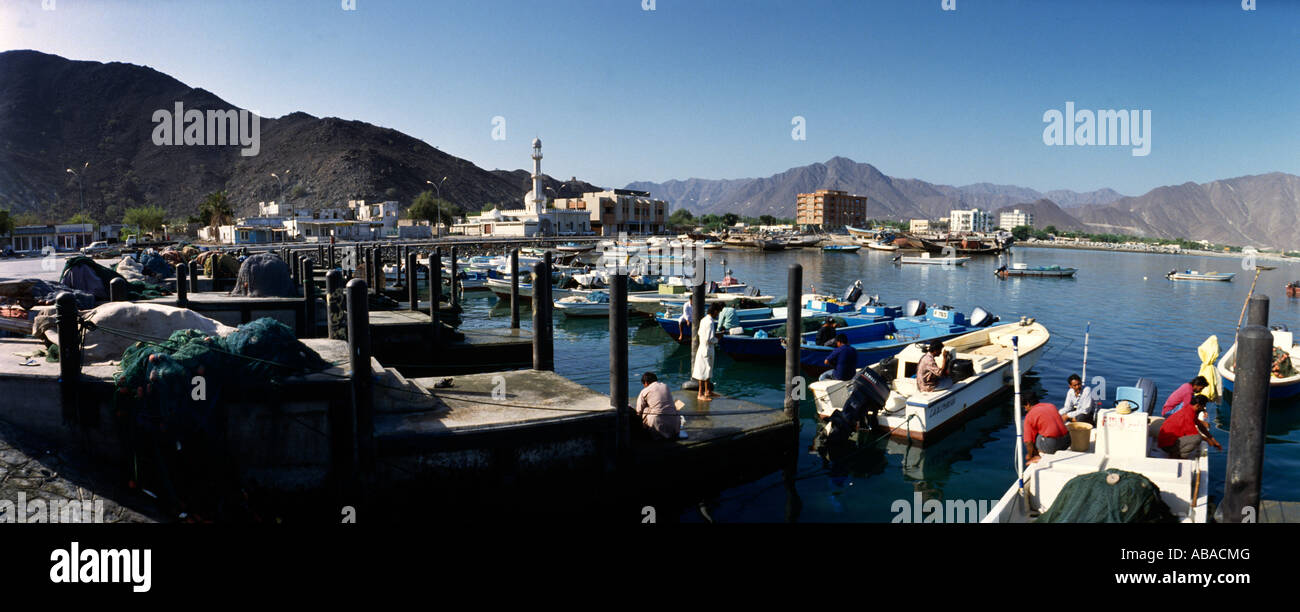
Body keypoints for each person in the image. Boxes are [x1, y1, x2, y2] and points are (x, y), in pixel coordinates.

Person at [1157, 394, 1222, 458]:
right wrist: (1207, 440)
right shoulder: (1189, 414)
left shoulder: (1189, 409)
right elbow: (1194, 434)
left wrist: (1214, 441)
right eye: (1203, 406)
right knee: (1197, 438)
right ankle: (1179, 455)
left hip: (1167, 440)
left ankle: (1176, 451)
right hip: (1166, 445)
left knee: (1197, 436)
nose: (1204, 409)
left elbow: (1200, 426)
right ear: (1198, 406)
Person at [1023, 392, 1069, 465]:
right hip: (1067, 441)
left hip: (1053, 445)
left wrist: (1029, 455)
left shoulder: (1029, 415)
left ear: (1028, 404)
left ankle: (1036, 457)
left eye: (1024, 407)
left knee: (1034, 436)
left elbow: (1028, 442)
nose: (1025, 409)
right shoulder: (1051, 405)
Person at [635, 372, 681, 440]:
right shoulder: (665, 386)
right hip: (675, 428)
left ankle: (653, 431)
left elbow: (638, 411)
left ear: (646, 383)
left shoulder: (644, 391)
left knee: (645, 410)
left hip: (658, 429)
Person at [692, 302, 724, 400]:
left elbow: (700, 333)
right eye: (718, 313)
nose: (717, 315)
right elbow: (709, 339)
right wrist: (718, 338)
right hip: (707, 348)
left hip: (702, 348)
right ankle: (701, 393)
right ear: (715, 311)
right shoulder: (710, 322)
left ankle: (707, 391)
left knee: (706, 370)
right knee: (704, 371)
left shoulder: (703, 320)